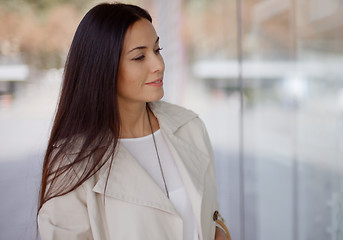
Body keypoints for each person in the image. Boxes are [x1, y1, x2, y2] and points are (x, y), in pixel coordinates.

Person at [37, 3, 228, 240]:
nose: (158, 65)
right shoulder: (72, 162)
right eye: (139, 57)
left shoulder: (189, 126)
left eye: (157, 50)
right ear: (102, 68)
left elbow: (211, 218)